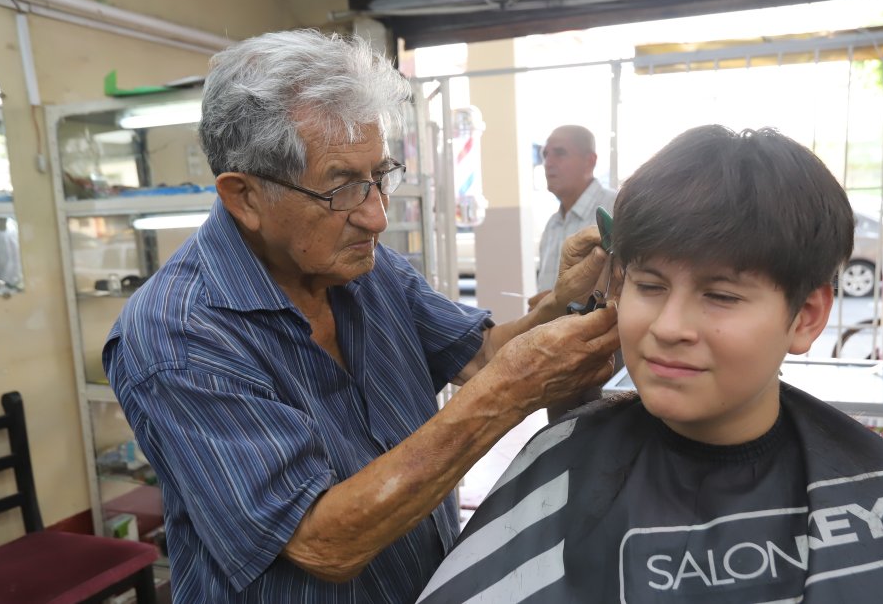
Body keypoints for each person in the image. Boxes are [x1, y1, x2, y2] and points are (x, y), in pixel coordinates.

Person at [102, 30, 619, 603]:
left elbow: (482, 356)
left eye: (379, 176)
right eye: (342, 188)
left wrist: (561, 300)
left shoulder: (367, 270)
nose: (375, 216)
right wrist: (506, 397)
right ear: (244, 197)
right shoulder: (179, 339)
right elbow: (324, 543)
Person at [418, 126, 883, 604]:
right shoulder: (561, 465)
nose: (668, 326)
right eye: (648, 284)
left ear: (806, 317)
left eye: (720, 295)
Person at [532, 125, 618, 298]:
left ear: (590, 161)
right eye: (545, 154)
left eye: (559, 153)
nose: (547, 163)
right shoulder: (552, 225)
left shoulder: (617, 209)